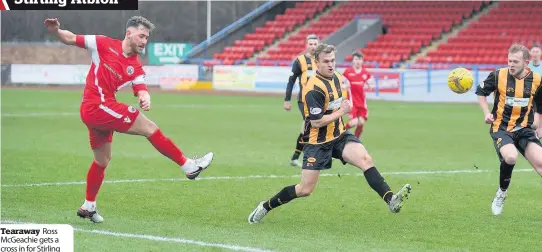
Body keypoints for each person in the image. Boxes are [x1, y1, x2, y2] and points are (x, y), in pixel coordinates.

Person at [44, 16, 214, 223]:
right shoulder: (103, 43)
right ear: (129, 33)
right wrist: (56, 32)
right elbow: (70, 38)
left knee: (102, 160)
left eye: (147, 38)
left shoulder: (135, 65)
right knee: (149, 128)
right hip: (97, 106)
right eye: (141, 36)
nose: (144, 41)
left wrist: (145, 98)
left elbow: (140, 88)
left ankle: (88, 206)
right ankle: (188, 166)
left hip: (99, 110)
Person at [248, 44, 412, 224]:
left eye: (333, 60)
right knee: (305, 189)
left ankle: (390, 199)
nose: (331, 64)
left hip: (339, 136)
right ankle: (265, 206)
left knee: (365, 159)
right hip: (317, 142)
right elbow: (316, 122)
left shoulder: (339, 78)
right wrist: (342, 112)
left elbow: (341, 102)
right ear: (317, 63)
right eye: (326, 61)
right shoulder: (313, 88)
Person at [475, 44, 542, 216]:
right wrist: (486, 113)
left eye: (515, 61)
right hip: (501, 128)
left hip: (525, 129)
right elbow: (481, 91)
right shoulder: (499, 75)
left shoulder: (537, 79)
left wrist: (539, 125)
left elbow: (540, 104)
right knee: (511, 157)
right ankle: (501, 193)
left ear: (526, 62)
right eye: (509, 60)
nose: (511, 64)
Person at [283, 34, 320, 167]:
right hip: (304, 100)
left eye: (315, 44)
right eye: (310, 44)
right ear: (306, 45)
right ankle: (309, 157)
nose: (313, 47)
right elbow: (291, 81)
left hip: (319, 100)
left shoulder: (322, 60)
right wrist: (287, 100)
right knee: (309, 124)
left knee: (309, 128)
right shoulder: (300, 61)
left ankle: (296, 157)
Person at [342, 51, 375, 138]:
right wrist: (344, 86)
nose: (358, 61)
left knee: (361, 122)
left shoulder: (366, 73)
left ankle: (356, 140)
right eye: (356, 59)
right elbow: (340, 84)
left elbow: (371, 84)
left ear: (362, 61)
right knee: (354, 122)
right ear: (353, 60)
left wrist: (370, 86)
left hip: (362, 103)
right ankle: (338, 132)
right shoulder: (347, 72)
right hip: (352, 103)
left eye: (360, 59)